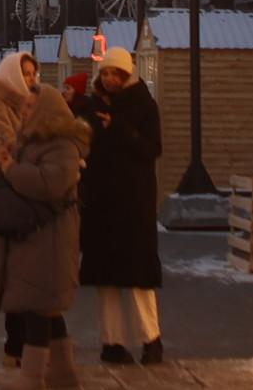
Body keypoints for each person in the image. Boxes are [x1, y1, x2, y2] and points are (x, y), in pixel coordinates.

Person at [0, 80, 91, 388]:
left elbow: (49, 184)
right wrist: (5, 162)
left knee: (36, 311)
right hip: (32, 239)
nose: (25, 110)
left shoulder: (61, 146)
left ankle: (32, 379)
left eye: (31, 107)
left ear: (46, 111)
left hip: (49, 240)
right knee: (46, 309)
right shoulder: (29, 141)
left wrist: (10, 169)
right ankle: (63, 375)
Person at [77, 48, 165, 365]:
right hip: (102, 201)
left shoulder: (143, 104)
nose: (110, 79)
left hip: (133, 201)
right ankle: (111, 342)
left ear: (127, 75)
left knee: (139, 276)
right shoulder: (93, 105)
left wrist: (118, 128)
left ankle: (151, 339)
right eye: (105, 73)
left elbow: (152, 148)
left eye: (116, 74)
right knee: (106, 278)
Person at [0, 55, 40, 363]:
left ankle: (20, 345)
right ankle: (15, 344)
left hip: (26, 190)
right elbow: (2, 146)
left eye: (32, 74)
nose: (30, 79)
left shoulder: (28, 102)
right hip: (8, 194)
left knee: (28, 273)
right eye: (24, 74)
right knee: (15, 272)